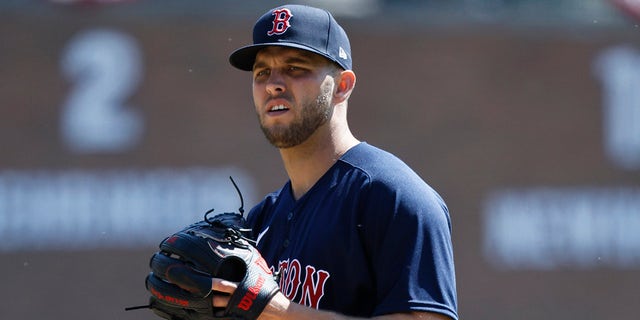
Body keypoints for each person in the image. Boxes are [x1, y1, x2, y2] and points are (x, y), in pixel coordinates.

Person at [217, 4, 458, 320]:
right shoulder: (263, 220)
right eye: (262, 72)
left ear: (342, 86)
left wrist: (276, 311)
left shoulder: (394, 197)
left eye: (295, 68)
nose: (272, 84)